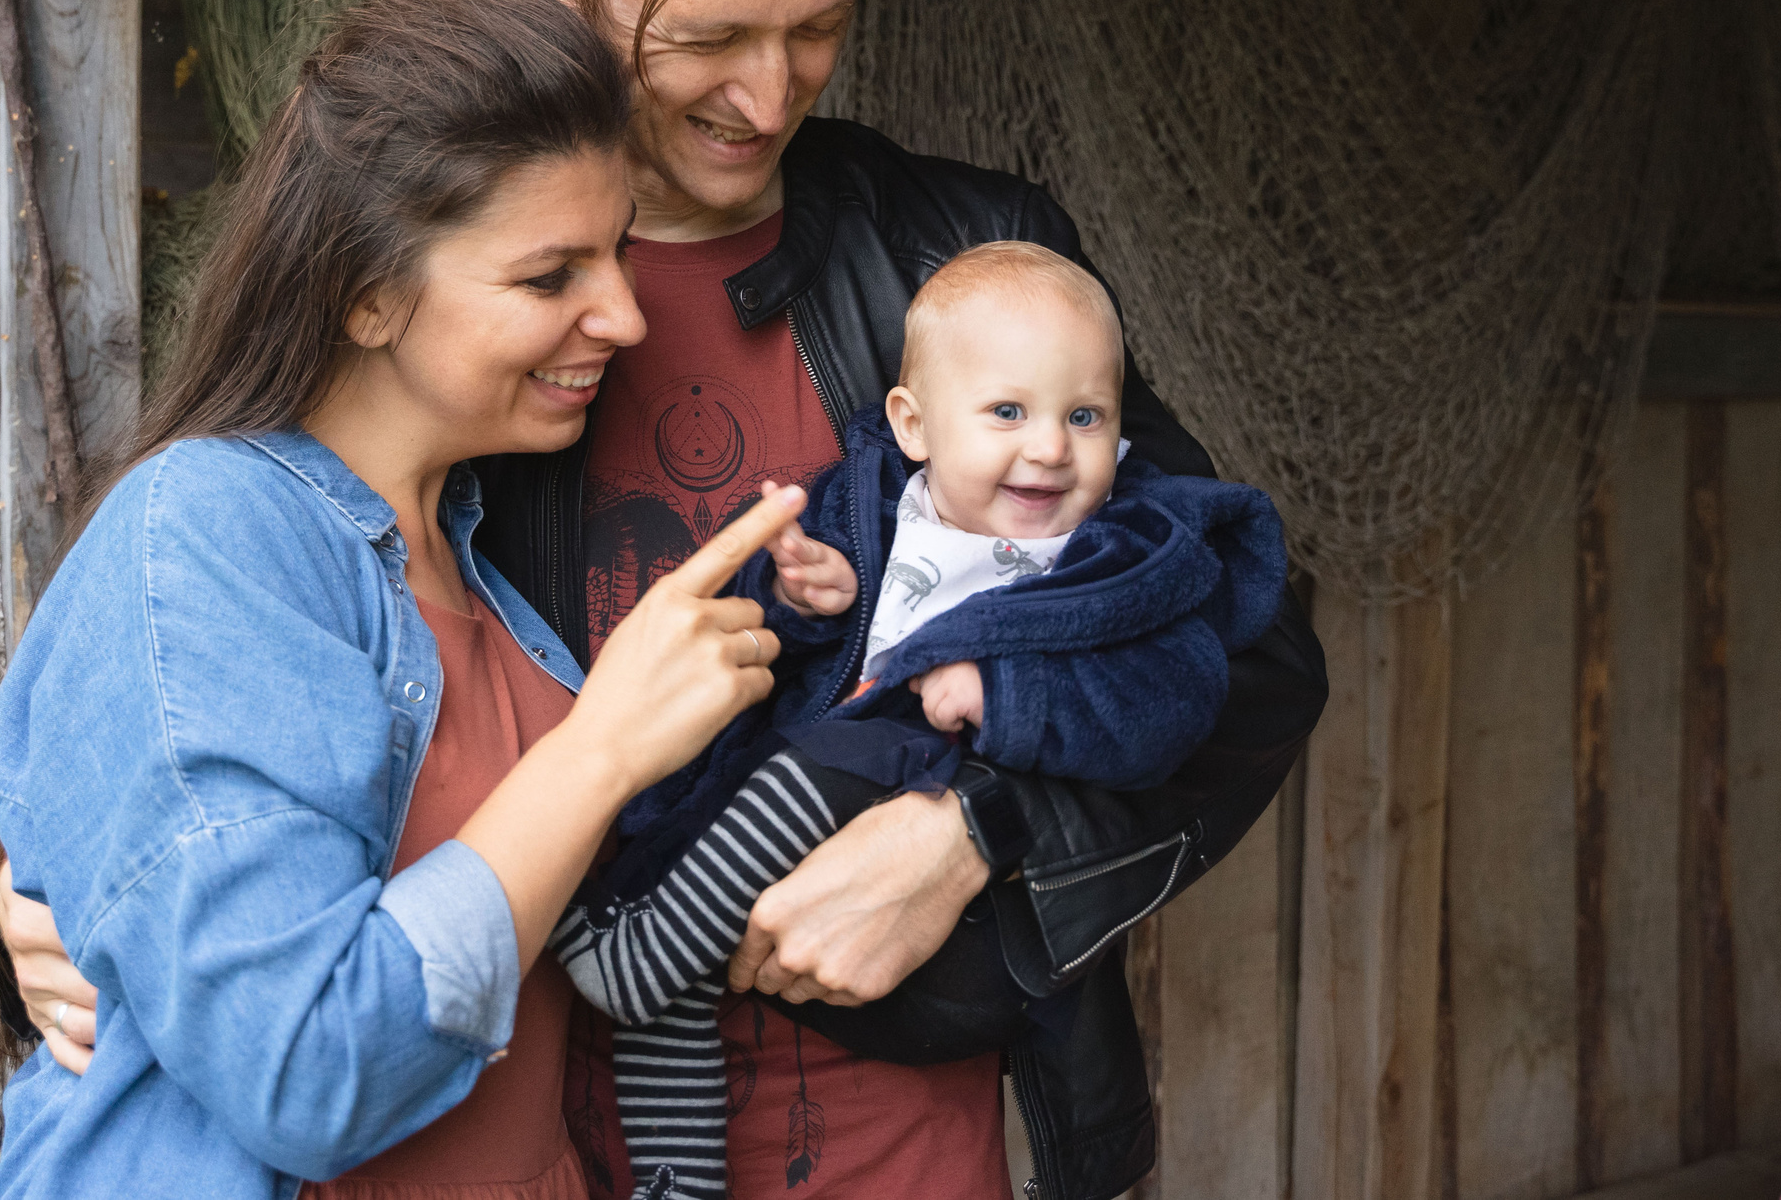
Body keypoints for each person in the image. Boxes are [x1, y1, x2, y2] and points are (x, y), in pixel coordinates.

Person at [0, 0, 1327, 1200]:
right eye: (711, 34)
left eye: (819, 24)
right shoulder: (438, 327)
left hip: (906, 1138)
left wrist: (978, 831)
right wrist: (42, 885)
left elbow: (1255, 639)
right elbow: (194, 674)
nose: (769, 92)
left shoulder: (964, 264)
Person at [0, 0, 816, 1200]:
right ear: (366, 294)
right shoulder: (206, 530)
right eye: (548, 276)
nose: (623, 313)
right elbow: (304, 1069)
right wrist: (605, 749)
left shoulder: (472, 550)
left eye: (617, 251)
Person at [550, 242, 1291, 1200]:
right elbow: (766, 633)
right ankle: (677, 1175)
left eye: (1086, 416)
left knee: (825, 762)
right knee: (679, 1002)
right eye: (1008, 412)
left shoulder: (1116, 564)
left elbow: (1172, 702)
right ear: (913, 423)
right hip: (797, 831)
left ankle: (641, 948)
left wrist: (1010, 697)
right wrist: (807, 602)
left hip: (928, 839)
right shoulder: (869, 505)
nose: (1051, 447)